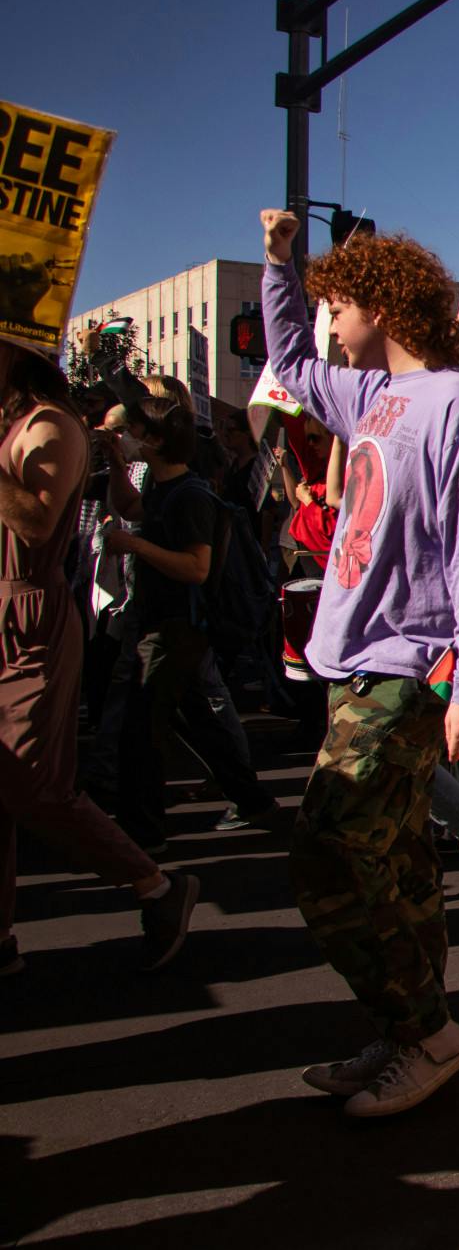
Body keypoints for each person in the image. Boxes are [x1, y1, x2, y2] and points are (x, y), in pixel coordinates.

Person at [259, 209, 459, 1118]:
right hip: (352, 665)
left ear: (383, 305)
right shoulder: (369, 395)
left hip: (406, 670)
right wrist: (279, 266)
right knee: (399, 859)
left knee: (326, 853)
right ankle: (412, 1029)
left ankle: (426, 1029)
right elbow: (290, 364)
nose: (329, 324)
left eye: (337, 306)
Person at [0, 340, 199, 974]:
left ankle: (156, 886)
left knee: (34, 782)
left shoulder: (50, 425)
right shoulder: (14, 424)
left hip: (30, 617)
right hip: (7, 612)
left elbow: (36, 523)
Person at [99, 398, 282, 844]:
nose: (128, 437)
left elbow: (197, 567)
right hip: (165, 624)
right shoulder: (164, 489)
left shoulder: (189, 497)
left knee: (141, 730)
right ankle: (252, 799)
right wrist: (116, 464)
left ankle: (144, 831)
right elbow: (129, 506)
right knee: (196, 719)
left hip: (175, 627)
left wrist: (136, 546)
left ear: (158, 440)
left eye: (133, 431)